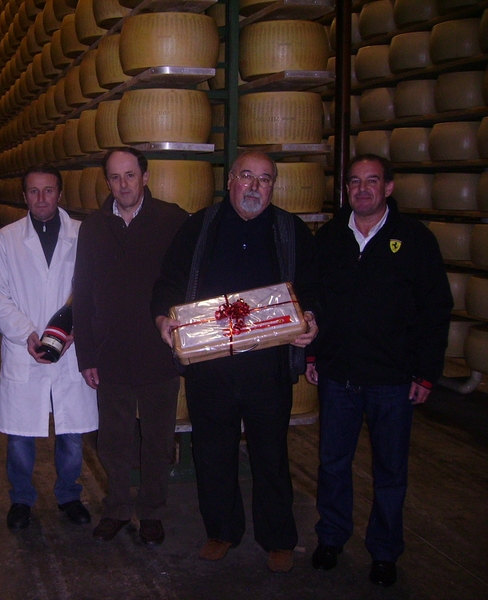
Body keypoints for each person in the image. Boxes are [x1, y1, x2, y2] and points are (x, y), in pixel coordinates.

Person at [152, 151, 319, 572]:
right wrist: (163, 319)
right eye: (247, 176)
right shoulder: (200, 226)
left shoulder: (291, 230)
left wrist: (313, 318)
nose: (254, 186)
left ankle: (278, 538)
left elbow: (315, 287)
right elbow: (169, 280)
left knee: (271, 455)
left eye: (265, 179)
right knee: (213, 453)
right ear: (230, 180)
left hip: (269, 369)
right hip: (212, 370)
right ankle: (221, 531)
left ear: (273, 186)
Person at [308, 154, 452, 587]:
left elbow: (435, 309)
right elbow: (313, 300)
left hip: (393, 380)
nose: (362, 189)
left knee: (390, 471)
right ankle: (331, 537)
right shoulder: (330, 237)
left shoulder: (415, 239)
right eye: (354, 182)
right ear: (346, 189)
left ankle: (385, 551)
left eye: (372, 181)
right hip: (339, 375)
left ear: (388, 187)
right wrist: (313, 355)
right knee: (333, 463)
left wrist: (426, 372)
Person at [72, 147, 188, 546]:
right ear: (107, 181)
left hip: (159, 351)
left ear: (145, 176)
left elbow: (188, 282)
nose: (123, 185)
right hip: (111, 353)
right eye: (115, 177)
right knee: (113, 441)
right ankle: (118, 508)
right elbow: (82, 292)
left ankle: (152, 511)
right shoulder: (93, 227)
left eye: (130, 175)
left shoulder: (172, 220)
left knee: (158, 440)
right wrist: (86, 355)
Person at [0, 165, 98, 530]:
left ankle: (69, 495)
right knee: (21, 435)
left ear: (60, 194)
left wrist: (78, 329)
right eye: (33, 191)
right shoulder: (6, 239)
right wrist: (26, 333)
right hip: (26, 348)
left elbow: (93, 289)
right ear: (24, 196)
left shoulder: (83, 235)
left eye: (48, 190)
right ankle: (21, 499)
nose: (41, 198)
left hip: (71, 350)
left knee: (71, 433)